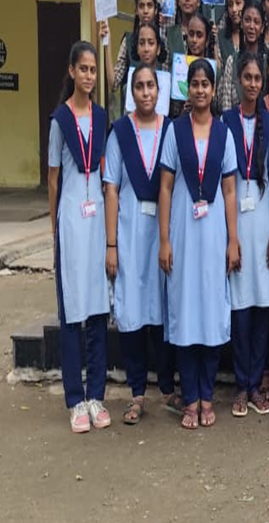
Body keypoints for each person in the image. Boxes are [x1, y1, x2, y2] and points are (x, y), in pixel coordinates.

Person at [158, 58, 240, 430]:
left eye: (207, 83)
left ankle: (208, 396)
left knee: (210, 315)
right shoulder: (175, 131)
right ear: (187, 89)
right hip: (183, 236)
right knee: (186, 313)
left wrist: (233, 239)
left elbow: (228, 189)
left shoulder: (224, 133)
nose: (202, 89)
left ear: (213, 88)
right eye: (196, 83)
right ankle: (189, 398)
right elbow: (166, 187)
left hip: (213, 238)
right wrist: (163, 240)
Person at [104, 64, 177, 424]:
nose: (146, 92)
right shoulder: (120, 133)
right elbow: (112, 188)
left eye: (151, 86)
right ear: (132, 91)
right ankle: (136, 392)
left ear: (158, 91)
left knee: (161, 311)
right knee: (132, 312)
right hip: (131, 237)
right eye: (140, 86)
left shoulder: (170, 130)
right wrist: (112, 244)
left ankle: (166, 387)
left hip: (161, 238)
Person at [49, 41, 112, 433]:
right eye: (83, 69)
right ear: (72, 71)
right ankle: (75, 398)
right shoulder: (60, 120)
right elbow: (54, 176)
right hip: (72, 219)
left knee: (97, 308)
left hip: (97, 221)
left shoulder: (102, 117)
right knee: (73, 309)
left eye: (93, 69)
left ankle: (96, 395)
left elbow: (104, 171)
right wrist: (53, 227)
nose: (89, 75)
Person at [222, 53, 269, 418]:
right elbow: (225, 182)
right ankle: (240, 384)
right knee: (239, 306)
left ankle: (257, 382)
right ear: (239, 80)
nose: (254, 83)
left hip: (261, 217)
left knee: (262, 305)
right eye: (248, 77)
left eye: (258, 78)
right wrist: (230, 237)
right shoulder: (225, 122)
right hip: (234, 221)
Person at [217, 1, 265, 112]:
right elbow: (226, 104)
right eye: (247, 20)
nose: (252, 26)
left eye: (256, 22)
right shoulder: (232, 61)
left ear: (262, 28)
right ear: (242, 24)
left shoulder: (267, 62)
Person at [217, 0, 247, 75]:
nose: (234, 9)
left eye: (238, 3)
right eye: (230, 5)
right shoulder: (220, 37)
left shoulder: (252, 36)